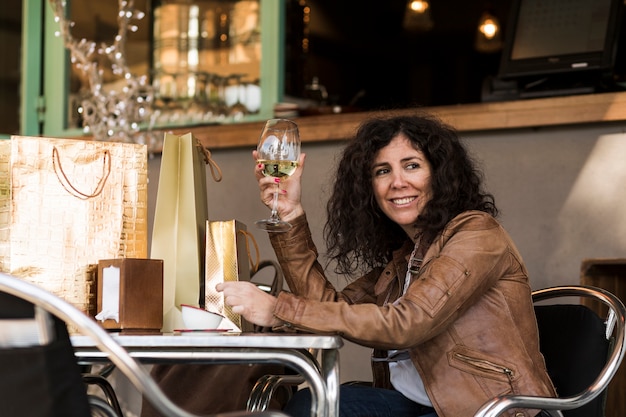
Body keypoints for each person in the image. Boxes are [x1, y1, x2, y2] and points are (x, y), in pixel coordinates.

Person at [216, 114, 556, 417]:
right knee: (308, 406)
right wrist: (290, 216)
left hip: (489, 409)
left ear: (440, 175)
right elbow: (329, 312)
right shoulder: (406, 258)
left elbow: (409, 323)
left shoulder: (477, 234)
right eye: (383, 171)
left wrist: (281, 309)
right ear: (369, 190)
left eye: (412, 165)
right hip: (415, 404)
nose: (397, 182)